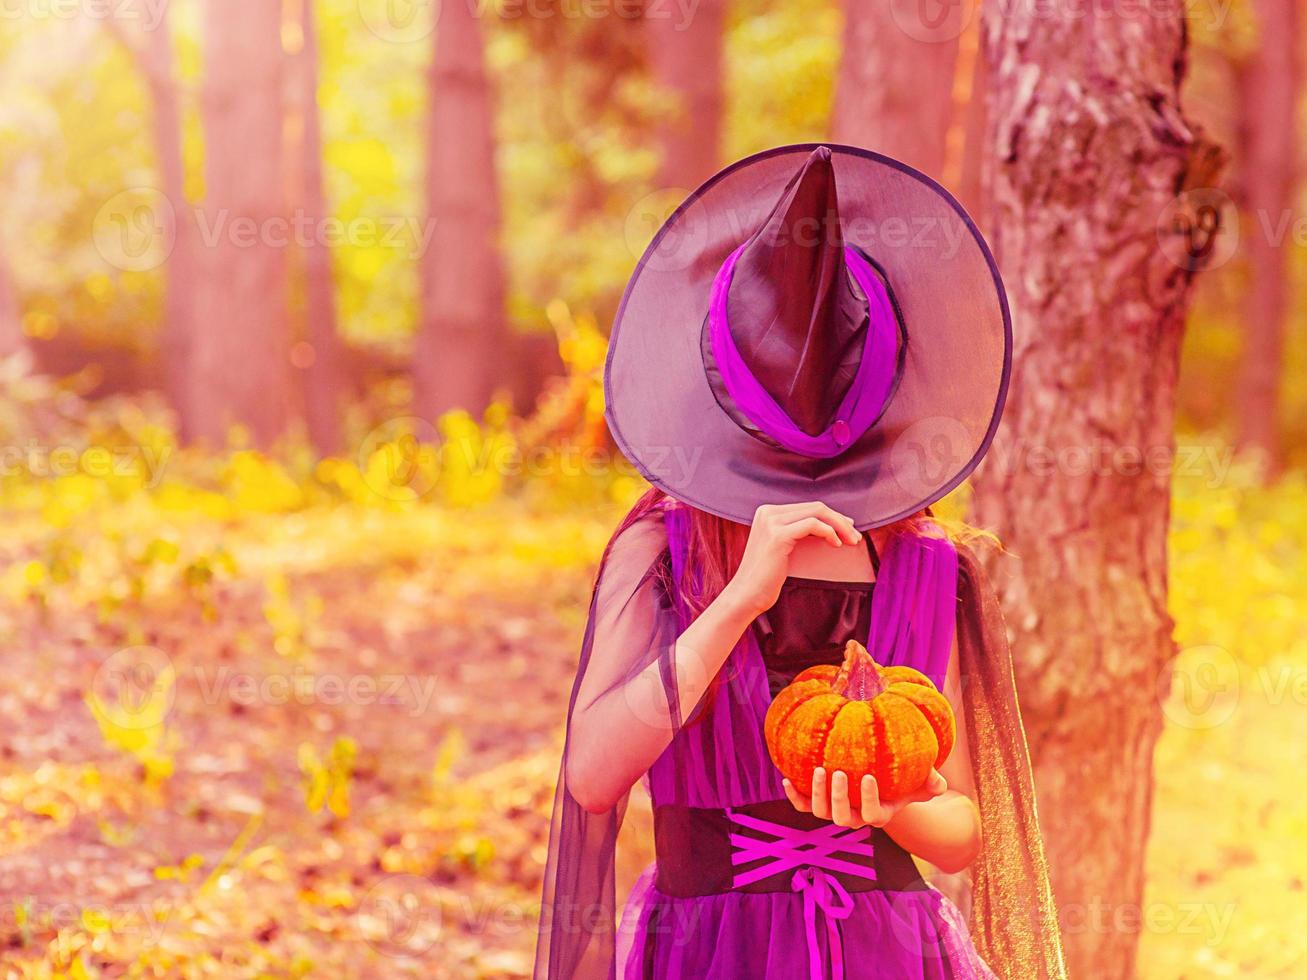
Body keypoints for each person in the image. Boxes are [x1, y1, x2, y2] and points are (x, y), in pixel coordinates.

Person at [534, 145, 1066, 980]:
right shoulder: (663, 550)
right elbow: (592, 776)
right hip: (711, 955)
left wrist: (896, 810)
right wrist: (741, 599)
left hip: (889, 952)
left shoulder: (926, 566)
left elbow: (963, 826)